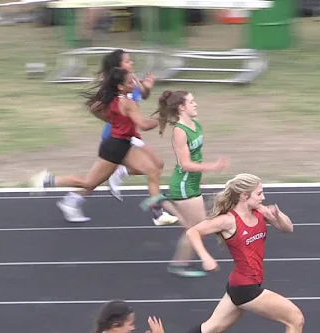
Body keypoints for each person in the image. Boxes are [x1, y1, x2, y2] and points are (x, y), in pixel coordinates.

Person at [164, 173, 320, 333]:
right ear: (244, 196)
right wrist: (206, 257)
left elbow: (288, 228)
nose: (263, 197)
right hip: (246, 287)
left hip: (239, 284)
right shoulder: (228, 220)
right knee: (295, 318)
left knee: (213, 329)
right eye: (259, 193)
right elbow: (194, 232)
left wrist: (277, 216)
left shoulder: (260, 211)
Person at [29, 67, 166, 222]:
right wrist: (161, 119)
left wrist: (112, 120)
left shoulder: (113, 100)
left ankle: (158, 214)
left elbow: (94, 108)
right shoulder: (128, 103)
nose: (134, 83)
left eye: (134, 80)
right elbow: (143, 125)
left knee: (153, 170)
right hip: (114, 148)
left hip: (124, 145)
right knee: (88, 183)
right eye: (130, 82)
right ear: (120, 86)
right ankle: (47, 180)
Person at [153, 89, 230, 277]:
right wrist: (213, 167)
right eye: (191, 102)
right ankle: (179, 264)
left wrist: (201, 179)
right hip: (184, 185)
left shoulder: (196, 125)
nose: (195, 104)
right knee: (197, 229)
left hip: (192, 184)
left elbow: (196, 156)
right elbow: (186, 164)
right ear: (181, 107)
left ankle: (164, 204)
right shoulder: (180, 131)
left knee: (193, 228)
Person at [98, 50, 177, 227]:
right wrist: (161, 119)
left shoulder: (131, 79)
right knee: (153, 169)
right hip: (121, 135)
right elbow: (140, 121)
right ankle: (157, 213)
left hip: (131, 133)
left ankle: (118, 172)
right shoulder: (116, 86)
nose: (132, 62)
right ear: (119, 66)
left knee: (158, 164)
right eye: (128, 61)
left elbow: (144, 94)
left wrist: (147, 86)